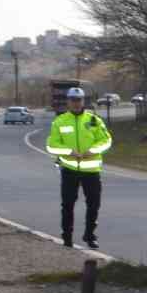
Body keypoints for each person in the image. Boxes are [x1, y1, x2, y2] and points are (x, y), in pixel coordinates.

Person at [45, 86, 113, 249]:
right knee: (67, 205)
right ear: (68, 102)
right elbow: (51, 146)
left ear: (83, 101)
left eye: (79, 100)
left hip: (91, 171)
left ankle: (90, 235)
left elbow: (107, 140)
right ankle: (67, 237)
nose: (76, 103)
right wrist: (69, 151)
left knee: (94, 204)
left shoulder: (94, 120)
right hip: (69, 170)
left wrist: (92, 150)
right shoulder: (59, 122)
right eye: (73, 100)